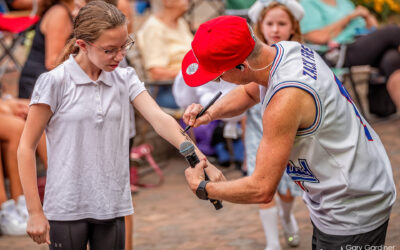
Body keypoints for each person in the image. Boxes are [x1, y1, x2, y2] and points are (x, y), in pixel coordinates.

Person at [17, 1, 223, 248]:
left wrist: (203, 161)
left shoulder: (124, 77)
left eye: (124, 46)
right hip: (66, 206)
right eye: (109, 50)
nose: (120, 56)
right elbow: (26, 147)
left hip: (112, 203)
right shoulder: (54, 82)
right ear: (82, 44)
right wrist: (35, 212)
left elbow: (160, 120)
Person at [182, 15, 396, 249]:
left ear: (241, 66)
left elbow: (262, 188)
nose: (219, 80)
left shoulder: (285, 100)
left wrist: (204, 189)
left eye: (219, 75)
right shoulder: (286, 51)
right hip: (353, 183)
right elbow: (250, 92)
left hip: (352, 207)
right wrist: (211, 112)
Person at [246, 0, 305, 248]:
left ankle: (287, 215)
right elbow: (244, 97)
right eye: (269, 23)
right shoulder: (252, 57)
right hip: (257, 129)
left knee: (287, 189)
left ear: (293, 27)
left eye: (282, 23)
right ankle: (272, 242)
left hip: (287, 130)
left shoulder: (301, 56)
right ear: (261, 26)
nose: (275, 29)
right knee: (262, 184)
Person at [299, 0, 400, 116]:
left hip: (362, 43)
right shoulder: (308, 5)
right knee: (393, 31)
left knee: (392, 59)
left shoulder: (345, 3)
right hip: (338, 53)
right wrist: (348, 18)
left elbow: (373, 28)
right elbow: (319, 37)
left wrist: (367, 16)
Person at [136, 0, 192, 108]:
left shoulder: (180, 22)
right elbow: (157, 73)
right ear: (167, 1)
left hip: (189, 85)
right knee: (215, 98)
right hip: (169, 89)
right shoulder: (154, 28)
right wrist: (191, 72)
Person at [18, 0, 75, 99]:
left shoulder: (65, 10)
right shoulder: (59, 13)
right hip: (37, 85)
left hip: (46, 82)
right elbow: (53, 63)